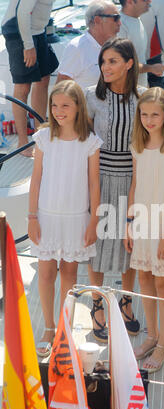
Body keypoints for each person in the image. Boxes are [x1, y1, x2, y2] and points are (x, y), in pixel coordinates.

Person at [28, 80, 101, 357]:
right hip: (46, 216)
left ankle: (64, 327)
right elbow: (36, 180)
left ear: (78, 107)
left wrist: (94, 221)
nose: (59, 111)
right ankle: (48, 327)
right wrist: (32, 216)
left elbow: (94, 184)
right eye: (55, 105)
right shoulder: (44, 137)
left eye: (65, 106)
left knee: (69, 274)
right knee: (46, 273)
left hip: (75, 218)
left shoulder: (90, 142)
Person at [86, 38, 144, 341]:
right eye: (103, 61)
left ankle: (125, 301)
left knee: (128, 245)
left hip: (133, 179)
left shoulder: (144, 99)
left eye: (113, 61)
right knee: (97, 243)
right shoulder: (90, 97)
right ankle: (96, 304)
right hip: (98, 176)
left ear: (129, 63)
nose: (106, 67)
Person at [124, 87, 164, 373]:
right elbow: (135, 186)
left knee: (163, 285)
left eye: (155, 114)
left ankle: (163, 342)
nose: (149, 120)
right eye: (144, 114)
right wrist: (128, 224)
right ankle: (150, 336)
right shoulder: (138, 146)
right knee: (145, 280)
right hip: (142, 223)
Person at [1, 0, 59, 157]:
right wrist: (28, 46)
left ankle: (39, 136)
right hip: (19, 30)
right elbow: (22, 12)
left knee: (43, 79)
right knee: (23, 86)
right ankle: (23, 143)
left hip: (38, 31)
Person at [56, 0, 121, 91]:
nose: (119, 23)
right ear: (97, 20)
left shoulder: (116, 46)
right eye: (116, 18)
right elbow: (61, 88)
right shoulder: (77, 48)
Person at [118, 0, 164, 87]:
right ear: (129, 2)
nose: (150, 1)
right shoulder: (120, 26)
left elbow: (140, 58)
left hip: (139, 88)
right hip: (126, 90)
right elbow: (122, 63)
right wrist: (151, 68)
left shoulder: (136, 20)